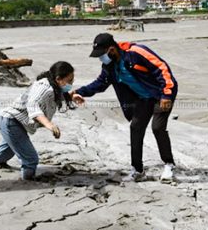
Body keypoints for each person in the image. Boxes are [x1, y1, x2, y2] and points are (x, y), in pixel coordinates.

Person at [72, 33, 178, 182]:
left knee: (157, 128)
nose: (100, 58)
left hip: (161, 94)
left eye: (102, 54)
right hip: (143, 99)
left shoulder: (136, 52)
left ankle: (169, 165)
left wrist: (167, 94)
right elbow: (100, 84)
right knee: (135, 127)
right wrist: (77, 92)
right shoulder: (109, 66)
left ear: (111, 49)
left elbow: (162, 68)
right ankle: (138, 170)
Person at [0, 61, 75, 180]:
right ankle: (28, 182)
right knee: (31, 159)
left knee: (8, 150)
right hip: (12, 122)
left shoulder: (52, 85)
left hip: (13, 122)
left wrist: (72, 96)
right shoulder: (44, 87)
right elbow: (33, 106)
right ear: (58, 78)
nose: (71, 83)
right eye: (69, 81)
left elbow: (60, 94)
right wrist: (49, 125)